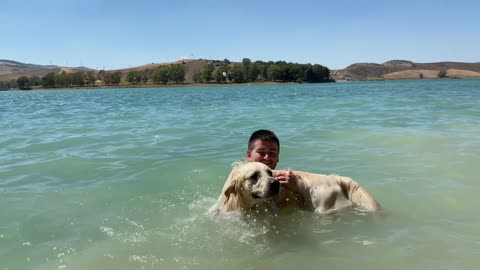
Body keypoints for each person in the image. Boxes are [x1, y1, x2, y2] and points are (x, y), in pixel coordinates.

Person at [246, 129, 300, 194]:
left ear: (278, 157)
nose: (267, 157)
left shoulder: (283, 181)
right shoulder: (240, 178)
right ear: (249, 155)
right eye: (261, 152)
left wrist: (295, 188)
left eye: (272, 153)